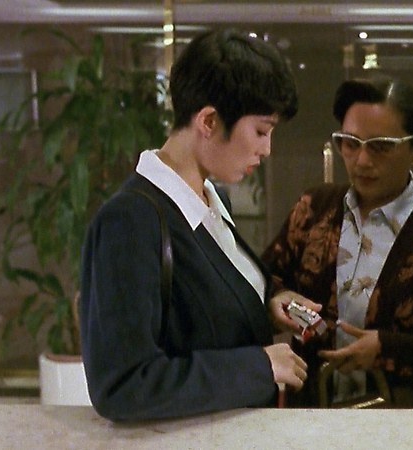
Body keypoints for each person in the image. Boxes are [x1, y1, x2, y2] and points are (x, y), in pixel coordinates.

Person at [79, 28, 311, 421]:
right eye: (261, 131)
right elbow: (123, 385)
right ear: (209, 120)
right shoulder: (129, 221)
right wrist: (259, 366)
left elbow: (202, 310)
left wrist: (265, 305)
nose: (266, 149)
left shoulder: (209, 201)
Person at [261, 77, 413, 408]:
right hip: (311, 418)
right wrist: (276, 301)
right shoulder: (313, 210)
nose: (362, 160)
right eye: (350, 143)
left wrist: (389, 349)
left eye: (380, 146)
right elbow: (258, 286)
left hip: (402, 424)